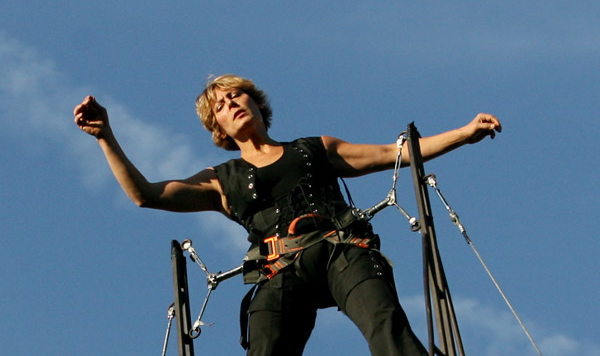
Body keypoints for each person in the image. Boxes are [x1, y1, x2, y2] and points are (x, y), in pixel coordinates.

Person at [74, 74, 501, 356]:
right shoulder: (221, 179)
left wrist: (464, 134)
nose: (231, 103)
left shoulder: (313, 148)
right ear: (218, 128)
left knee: (386, 324)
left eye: (235, 95)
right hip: (281, 270)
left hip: (342, 250)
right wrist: (105, 137)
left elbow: (395, 153)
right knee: (264, 345)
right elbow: (146, 195)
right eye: (221, 105)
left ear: (257, 103)